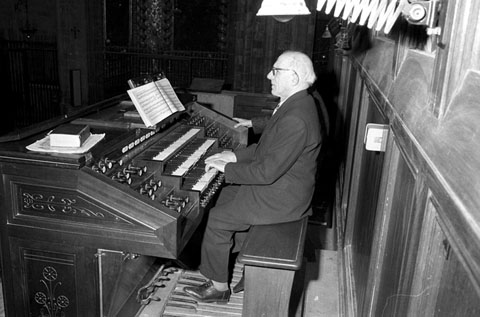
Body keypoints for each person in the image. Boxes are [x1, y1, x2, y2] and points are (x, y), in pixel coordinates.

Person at [184, 50, 324, 303]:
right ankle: (237, 255)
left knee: (217, 218)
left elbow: (265, 172)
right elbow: (266, 148)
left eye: (275, 71)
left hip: (283, 197)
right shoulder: (298, 102)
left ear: (293, 77)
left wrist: (225, 170)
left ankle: (218, 287)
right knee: (224, 196)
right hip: (285, 186)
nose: (269, 75)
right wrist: (233, 157)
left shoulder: (296, 117)